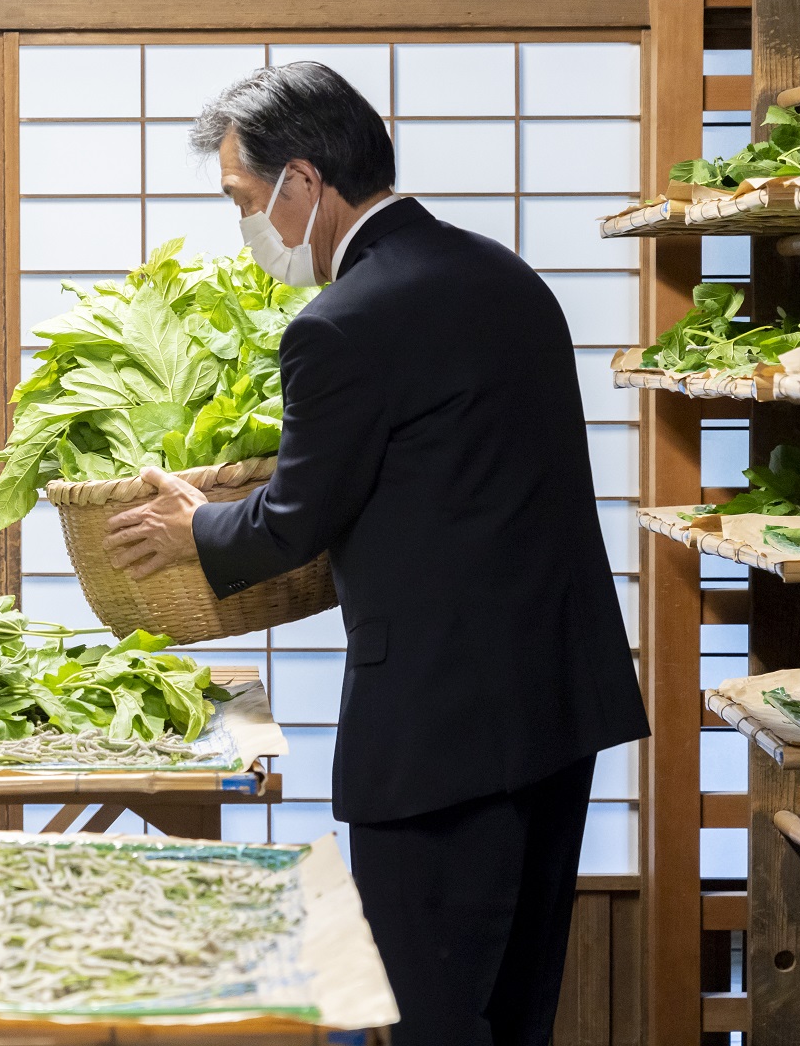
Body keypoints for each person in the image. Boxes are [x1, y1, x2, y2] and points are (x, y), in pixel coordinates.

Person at [98, 63, 650, 1046]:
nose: (248, 227)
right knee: (516, 1009)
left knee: (426, 1016)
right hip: (559, 706)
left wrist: (192, 525)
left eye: (242, 199)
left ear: (302, 184)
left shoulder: (339, 324)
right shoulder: (506, 278)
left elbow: (293, 523)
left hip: (441, 731)